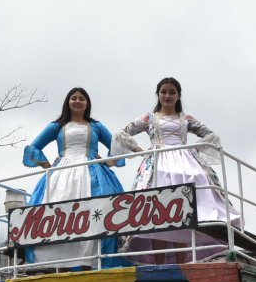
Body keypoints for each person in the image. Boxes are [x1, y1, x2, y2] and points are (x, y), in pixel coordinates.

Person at [112, 77, 240, 262]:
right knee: (157, 213)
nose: (168, 95)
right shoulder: (149, 117)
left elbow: (211, 135)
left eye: (172, 92)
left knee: (183, 215)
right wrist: (142, 151)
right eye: (164, 92)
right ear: (158, 94)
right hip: (158, 165)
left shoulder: (186, 119)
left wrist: (193, 149)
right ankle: (159, 262)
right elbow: (122, 133)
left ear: (178, 95)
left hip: (184, 162)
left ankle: (183, 263)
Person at [22, 87, 126, 268]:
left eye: (82, 99)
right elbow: (34, 147)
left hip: (93, 172)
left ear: (87, 104)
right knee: (57, 211)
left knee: (100, 210)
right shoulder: (56, 126)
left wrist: (108, 161)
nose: (77, 101)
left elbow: (116, 146)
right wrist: (47, 166)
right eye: (74, 98)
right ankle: (56, 261)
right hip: (61, 173)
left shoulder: (96, 126)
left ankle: (93, 258)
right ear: (68, 102)